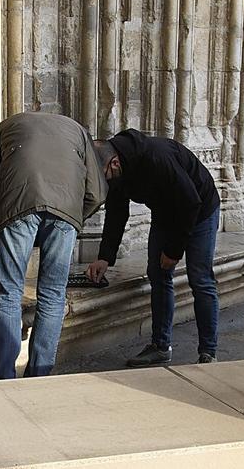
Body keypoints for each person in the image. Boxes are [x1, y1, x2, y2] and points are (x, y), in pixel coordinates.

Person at [0, 111, 107, 378]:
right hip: (65, 211)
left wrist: (4, 217)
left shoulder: (3, 128)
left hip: (18, 205)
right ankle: (40, 374)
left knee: (9, 293)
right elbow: (97, 192)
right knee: (53, 295)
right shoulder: (78, 130)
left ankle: (4, 375)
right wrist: (73, 219)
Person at [86, 130, 220, 366]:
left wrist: (173, 252)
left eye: (104, 177)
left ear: (114, 163)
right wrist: (105, 257)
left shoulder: (156, 158)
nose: (104, 183)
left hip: (200, 210)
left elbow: (190, 203)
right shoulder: (116, 171)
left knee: (200, 279)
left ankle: (208, 352)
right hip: (166, 212)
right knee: (157, 275)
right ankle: (160, 346)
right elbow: (117, 213)